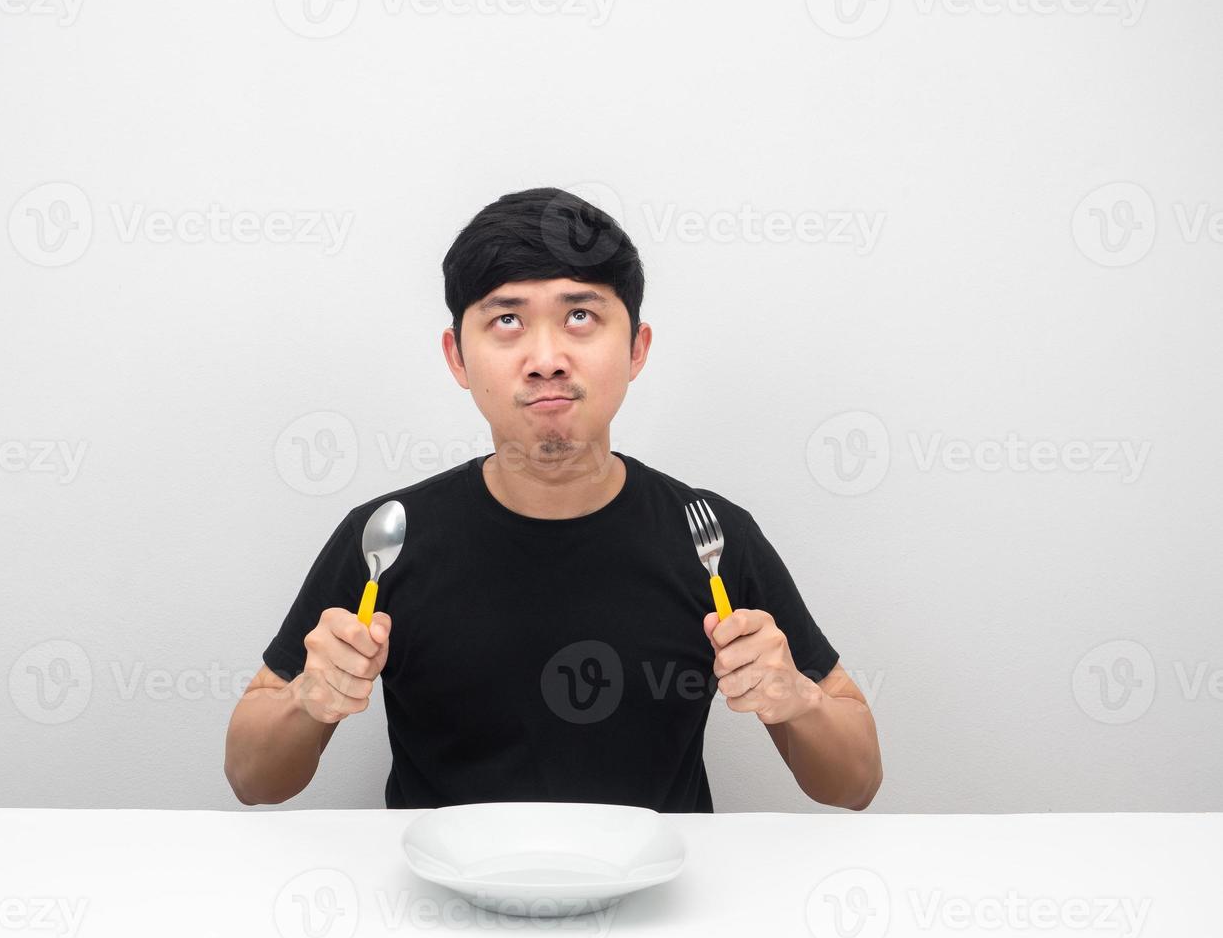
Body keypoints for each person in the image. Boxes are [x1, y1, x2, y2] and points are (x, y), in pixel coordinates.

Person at [224, 187, 882, 812]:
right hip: (441, 912)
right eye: (506, 319)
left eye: (580, 316)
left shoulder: (707, 535)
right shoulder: (386, 536)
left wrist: (796, 699)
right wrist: (309, 699)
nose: (546, 358)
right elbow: (252, 779)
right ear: (457, 357)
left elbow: (854, 784)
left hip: (655, 911)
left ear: (635, 349)